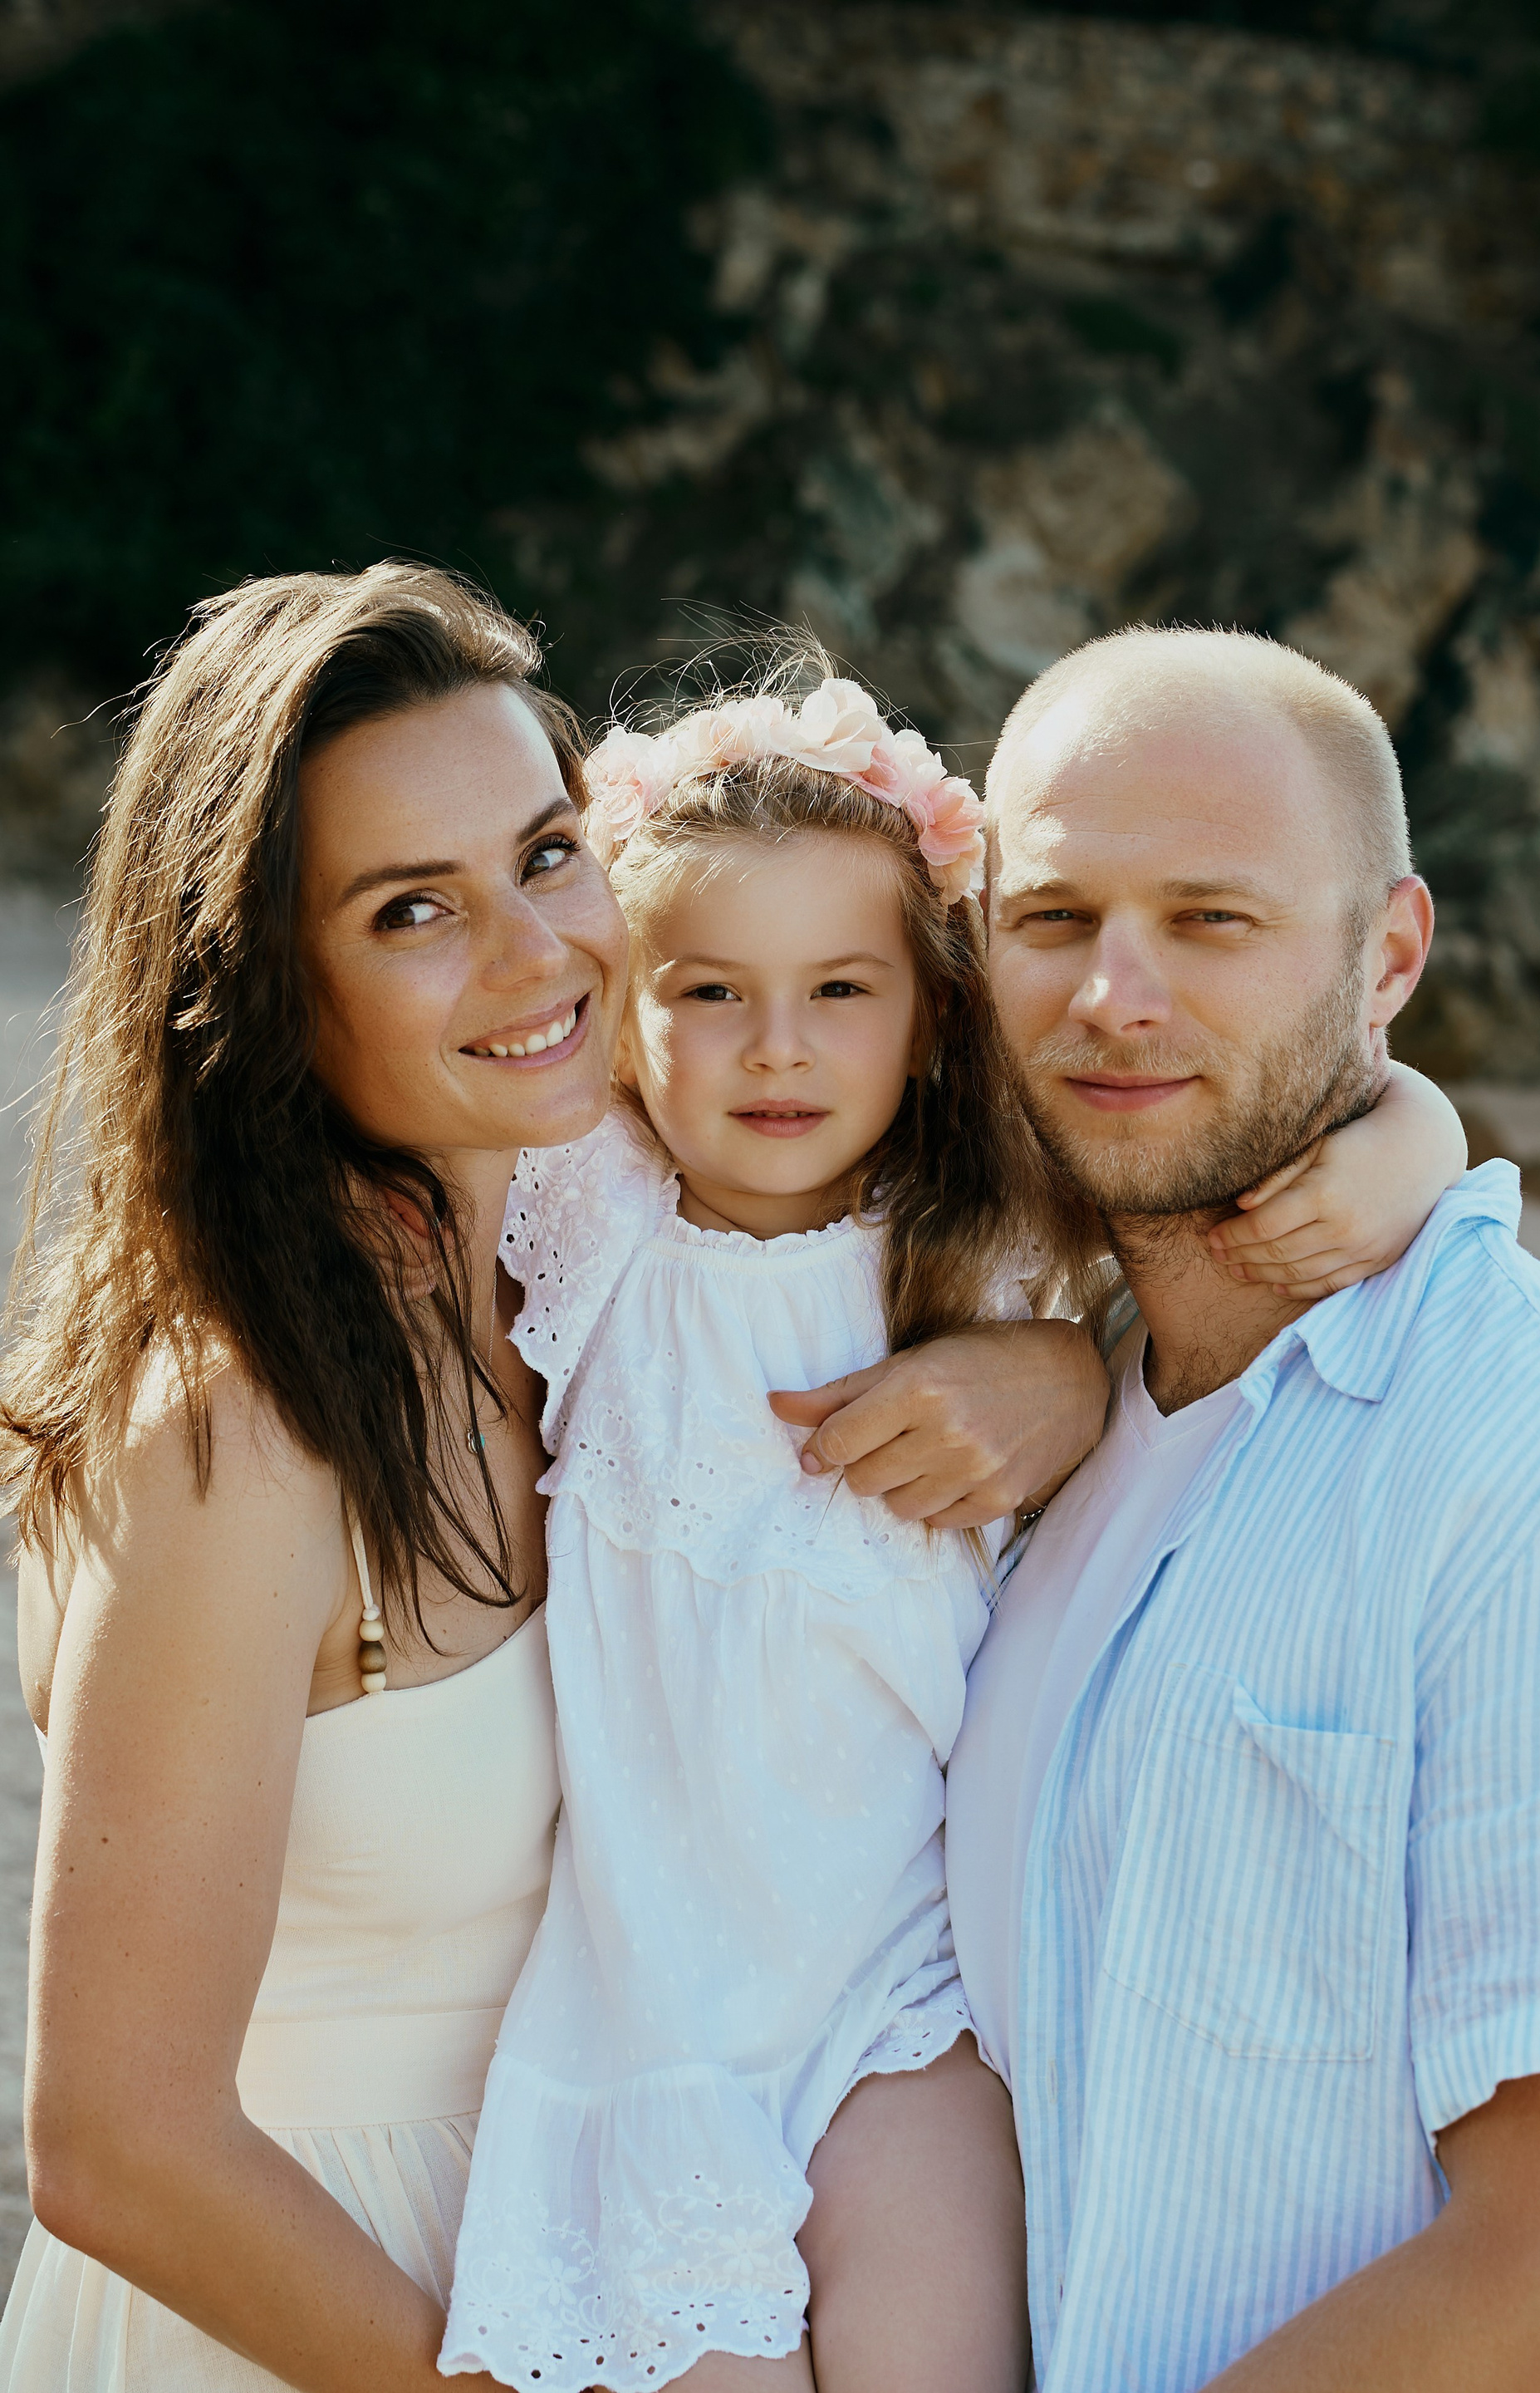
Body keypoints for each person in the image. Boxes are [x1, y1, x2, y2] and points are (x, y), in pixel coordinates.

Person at [0, 568, 1101, 2393]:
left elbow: (1182, 1137)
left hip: (637, 2223)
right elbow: (119, 2151)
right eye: (413, 909)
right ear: (260, 978)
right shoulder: (235, 1432)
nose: (537, 956)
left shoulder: (582, 1262)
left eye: (546, 855)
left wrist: (1060, 1372)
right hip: (315, 2319)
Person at [439, 656, 1466, 2393]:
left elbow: (1269, 1136)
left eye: (841, 989)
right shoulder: (585, 1226)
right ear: (623, 1015)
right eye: (710, 991)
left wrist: (1408, 1145)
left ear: (933, 1015)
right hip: (647, 2024)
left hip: (906, 2010)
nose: (777, 1045)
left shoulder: (985, 1240)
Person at [945, 625, 1540, 2393]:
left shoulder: (1530, 1452)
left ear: (1389, 954)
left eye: (1211, 919)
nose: (1113, 994)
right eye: (1054, 916)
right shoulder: (1011, 1424)